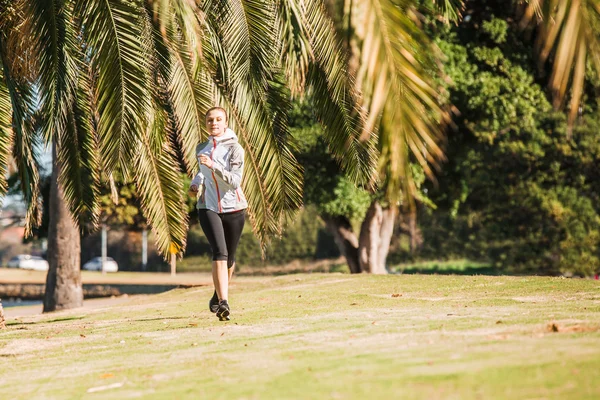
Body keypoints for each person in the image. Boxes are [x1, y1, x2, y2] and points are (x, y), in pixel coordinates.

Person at [189, 107, 247, 321]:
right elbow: (201, 172)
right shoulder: (201, 147)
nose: (214, 123)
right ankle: (224, 302)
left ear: (226, 122)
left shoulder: (235, 148)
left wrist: (213, 166)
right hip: (208, 207)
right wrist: (196, 183)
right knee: (219, 252)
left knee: (230, 257)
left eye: (218, 119)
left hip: (234, 208)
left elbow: (234, 181)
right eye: (210, 120)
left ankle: (217, 293)